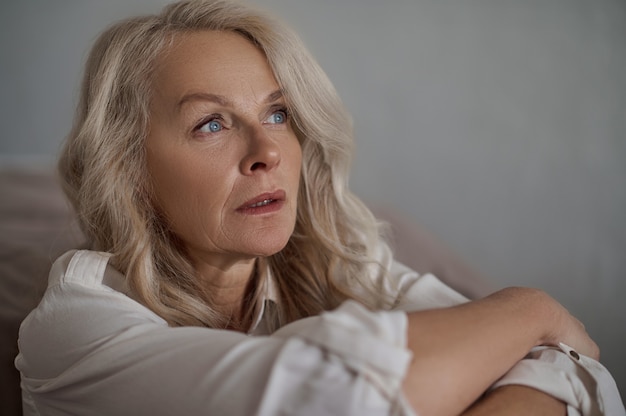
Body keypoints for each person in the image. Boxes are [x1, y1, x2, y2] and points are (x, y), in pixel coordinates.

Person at [15, 1, 624, 415]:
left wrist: (524, 334)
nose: (267, 152)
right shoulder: (78, 329)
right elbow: (340, 398)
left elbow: (577, 371)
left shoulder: (335, 263)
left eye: (278, 114)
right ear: (131, 171)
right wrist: (530, 306)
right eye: (211, 123)